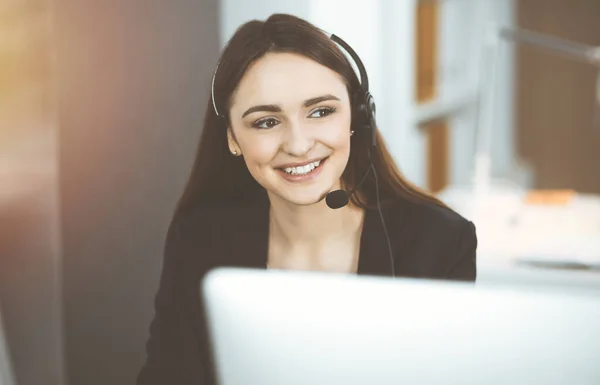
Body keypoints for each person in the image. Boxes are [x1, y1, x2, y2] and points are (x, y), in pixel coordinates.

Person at [137, 13, 477, 385]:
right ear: (233, 138)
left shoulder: (440, 242)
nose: (298, 145)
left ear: (357, 117)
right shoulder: (201, 239)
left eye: (321, 112)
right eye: (266, 121)